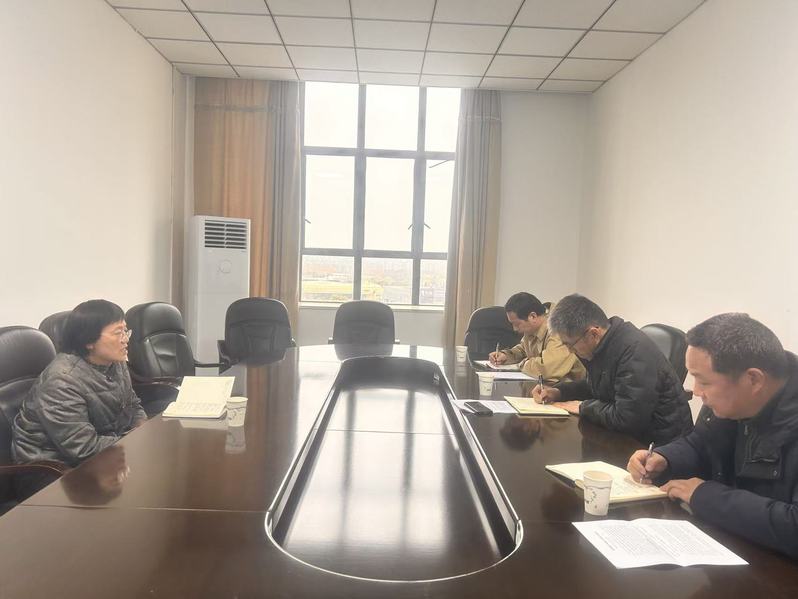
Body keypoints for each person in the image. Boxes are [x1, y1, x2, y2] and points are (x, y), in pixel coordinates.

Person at [627, 313, 798, 558]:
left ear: (753, 379)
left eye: (703, 382)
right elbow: (701, 443)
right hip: (731, 545)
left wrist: (706, 497)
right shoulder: (733, 404)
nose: (696, 392)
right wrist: (665, 459)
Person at [12, 299, 146, 480]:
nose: (125, 340)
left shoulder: (114, 361)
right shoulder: (62, 381)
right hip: (49, 469)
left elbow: (132, 404)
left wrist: (144, 431)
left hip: (102, 454)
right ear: (89, 341)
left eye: (125, 331)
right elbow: (83, 448)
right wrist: (137, 442)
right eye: (117, 333)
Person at [535, 293, 692, 445]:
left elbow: (627, 418)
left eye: (570, 344)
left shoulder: (633, 352)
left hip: (657, 445)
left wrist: (583, 408)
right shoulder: (604, 343)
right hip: (628, 435)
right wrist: (559, 392)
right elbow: (597, 386)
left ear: (593, 333)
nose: (570, 351)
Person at [488, 292, 586, 384]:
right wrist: (506, 355)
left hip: (573, 389)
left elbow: (547, 369)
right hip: (549, 387)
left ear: (533, 316)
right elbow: (523, 349)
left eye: (517, 324)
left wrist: (523, 364)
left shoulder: (559, 329)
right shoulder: (532, 329)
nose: (515, 329)